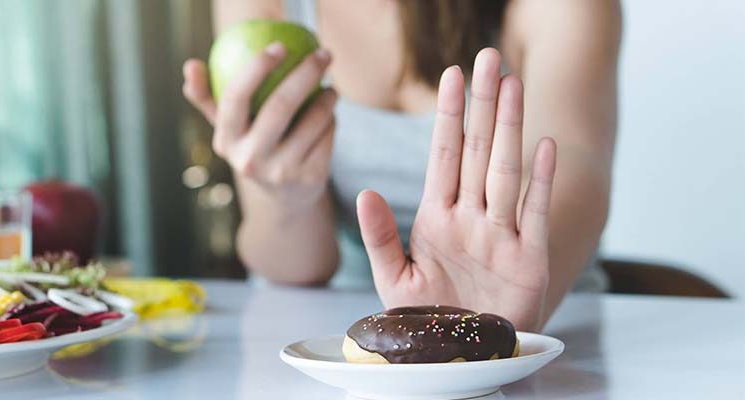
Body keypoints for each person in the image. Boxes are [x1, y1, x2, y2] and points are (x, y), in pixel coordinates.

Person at [182, 0, 621, 332]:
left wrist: (500, 304)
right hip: (340, 342)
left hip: (546, 330)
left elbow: (577, 165)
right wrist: (287, 198)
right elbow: (300, 270)